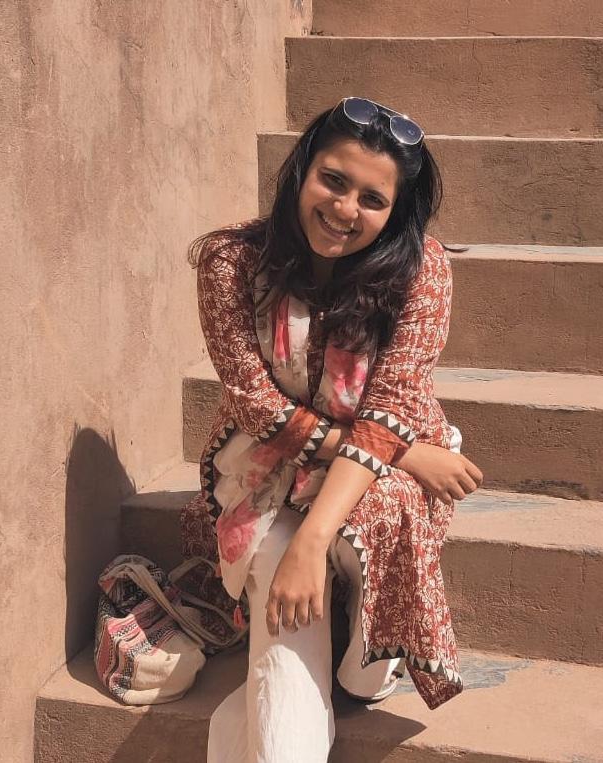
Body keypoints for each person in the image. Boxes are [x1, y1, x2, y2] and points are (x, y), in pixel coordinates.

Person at [181, 96, 484, 763]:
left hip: (370, 476)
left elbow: (389, 406)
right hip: (265, 466)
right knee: (280, 602)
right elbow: (258, 408)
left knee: (384, 519)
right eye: (333, 181)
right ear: (302, 171)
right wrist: (408, 454)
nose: (345, 209)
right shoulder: (231, 261)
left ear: (394, 212)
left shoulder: (422, 270)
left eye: (372, 199)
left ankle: (369, 647)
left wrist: (312, 538)